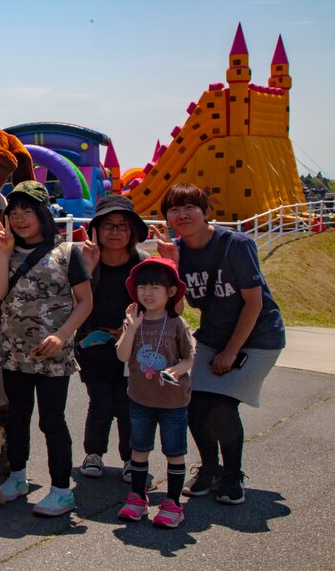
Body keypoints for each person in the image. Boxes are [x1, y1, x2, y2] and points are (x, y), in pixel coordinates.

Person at [153, 183, 285, 505]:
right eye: (174, 209)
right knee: (194, 401)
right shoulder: (178, 250)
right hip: (213, 336)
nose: (182, 215)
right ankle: (209, 470)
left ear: (206, 211)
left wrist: (231, 352)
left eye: (190, 208)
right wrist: (172, 266)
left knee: (223, 406)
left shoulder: (235, 245)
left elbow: (253, 304)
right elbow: (180, 309)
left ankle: (232, 475)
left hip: (258, 337)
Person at [0, 181, 93, 517]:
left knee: (52, 421)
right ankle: (18, 478)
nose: (19, 219)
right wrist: (4, 253)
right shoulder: (7, 250)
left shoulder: (67, 252)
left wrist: (63, 335)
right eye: (13, 213)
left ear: (43, 214)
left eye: (27, 212)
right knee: (17, 417)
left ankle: (61, 490)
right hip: (14, 353)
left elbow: (85, 301)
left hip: (53, 356)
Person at [114, 257, 194, 528]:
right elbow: (123, 355)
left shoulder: (176, 324)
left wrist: (176, 371)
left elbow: (189, 359)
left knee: (174, 450)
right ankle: (137, 497)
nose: (147, 293)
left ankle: (173, 502)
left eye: (155, 288)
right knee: (139, 448)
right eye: (142, 287)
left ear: (171, 292)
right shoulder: (133, 321)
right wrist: (132, 328)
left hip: (173, 401)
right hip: (140, 398)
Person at [74, 195, 149, 483]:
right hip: (93, 344)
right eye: (107, 225)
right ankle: (94, 453)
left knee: (129, 403)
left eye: (122, 225)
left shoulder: (142, 264)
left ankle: (132, 458)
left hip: (134, 346)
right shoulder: (84, 262)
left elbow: (169, 307)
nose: (115, 231)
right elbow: (72, 303)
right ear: (95, 231)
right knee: (101, 400)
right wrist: (88, 269)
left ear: (132, 231)